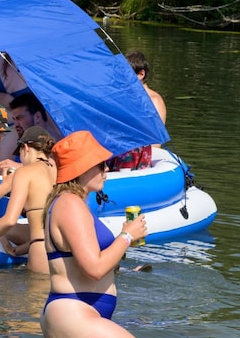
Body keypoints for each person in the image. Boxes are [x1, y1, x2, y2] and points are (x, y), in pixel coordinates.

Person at [40, 130, 148, 337]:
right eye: (100, 164)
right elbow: (94, 268)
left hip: (79, 310)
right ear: (81, 169)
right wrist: (126, 236)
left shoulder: (70, 202)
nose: (106, 169)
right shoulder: (70, 204)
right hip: (74, 310)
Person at [0, 126, 57, 273]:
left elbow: (10, 220)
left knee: (36, 295)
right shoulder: (57, 170)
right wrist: (16, 250)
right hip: (62, 248)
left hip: (41, 249)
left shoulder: (24, 173)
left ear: (25, 148)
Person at [108, 50, 166, 171]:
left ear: (141, 74)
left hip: (138, 158)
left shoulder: (154, 101)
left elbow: (156, 141)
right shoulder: (125, 99)